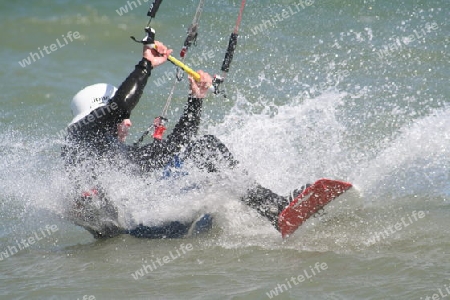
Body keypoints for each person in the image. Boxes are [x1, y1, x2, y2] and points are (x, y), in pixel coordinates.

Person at [62, 41, 299, 239]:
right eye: (122, 118)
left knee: (205, 150)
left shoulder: (121, 159)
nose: (128, 122)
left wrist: (195, 98)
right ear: (97, 116)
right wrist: (146, 64)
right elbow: (120, 105)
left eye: (127, 118)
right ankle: (275, 209)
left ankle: (275, 209)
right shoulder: (78, 138)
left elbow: (177, 146)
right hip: (137, 233)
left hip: (147, 233)